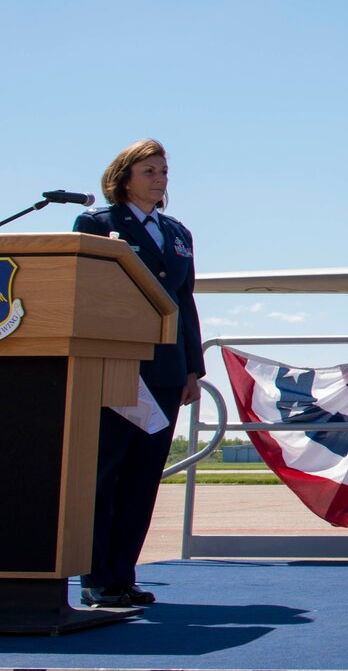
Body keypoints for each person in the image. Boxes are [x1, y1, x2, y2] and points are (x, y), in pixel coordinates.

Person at [72, 139, 203, 609]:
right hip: (117, 366)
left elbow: (184, 300)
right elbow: (86, 292)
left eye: (164, 170)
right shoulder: (98, 224)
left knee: (143, 478)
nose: (160, 178)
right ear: (123, 176)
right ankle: (96, 576)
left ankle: (123, 574)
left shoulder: (178, 233)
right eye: (149, 170)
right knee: (106, 473)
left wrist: (193, 368)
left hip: (166, 369)